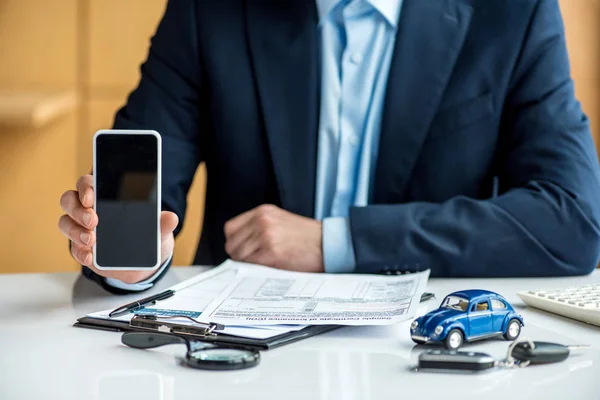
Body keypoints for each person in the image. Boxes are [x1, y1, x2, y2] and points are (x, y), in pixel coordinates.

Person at [58, 0, 600, 294]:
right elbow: (143, 184)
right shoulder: (210, 11)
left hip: (433, 343)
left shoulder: (514, 13)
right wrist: (128, 257)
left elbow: (571, 220)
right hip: (235, 352)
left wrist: (335, 244)